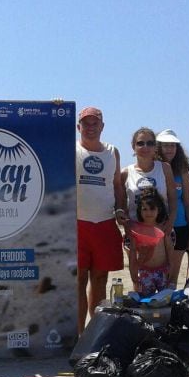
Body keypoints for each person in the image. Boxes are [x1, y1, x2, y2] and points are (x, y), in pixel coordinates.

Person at [76, 106, 126, 333]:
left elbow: (117, 185)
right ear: (78, 127)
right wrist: (54, 107)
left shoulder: (112, 152)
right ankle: (77, 334)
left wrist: (121, 209)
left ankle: (93, 333)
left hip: (105, 222)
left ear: (102, 127)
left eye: (94, 123)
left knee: (99, 279)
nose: (90, 127)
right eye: (86, 123)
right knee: (77, 281)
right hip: (77, 223)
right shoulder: (71, 149)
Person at [156, 129, 189, 281]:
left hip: (180, 226)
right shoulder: (153, 168)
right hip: (156, 227)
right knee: (156, 272)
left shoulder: (182, 172)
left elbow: (188, 203)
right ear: (158, 147)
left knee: (172, 274)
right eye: (165, 145)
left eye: (172, 145)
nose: (169, 149)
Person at [122, 127, 177, 234]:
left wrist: (170, 223)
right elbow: (123, 205)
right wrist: (127, 227)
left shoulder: (165, 168)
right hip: (135, 231)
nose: (145, 147)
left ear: (155, 147)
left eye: (150, 143)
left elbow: (173, 200)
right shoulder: (125, 173)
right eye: (140, 143)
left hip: (160, 229)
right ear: (133, 146)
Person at [128, 188, 173, 295]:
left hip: (163, 271)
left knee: (164, 300)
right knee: (144, 302)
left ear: (159, 209)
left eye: (152, 209)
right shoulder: (136, 230)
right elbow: (132, 253)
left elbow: (169, 249)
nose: (148, 212)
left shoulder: (163, 228)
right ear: (139, 210)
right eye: (145, 209)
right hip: (144, 272)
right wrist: (133, 275)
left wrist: (171, 267)